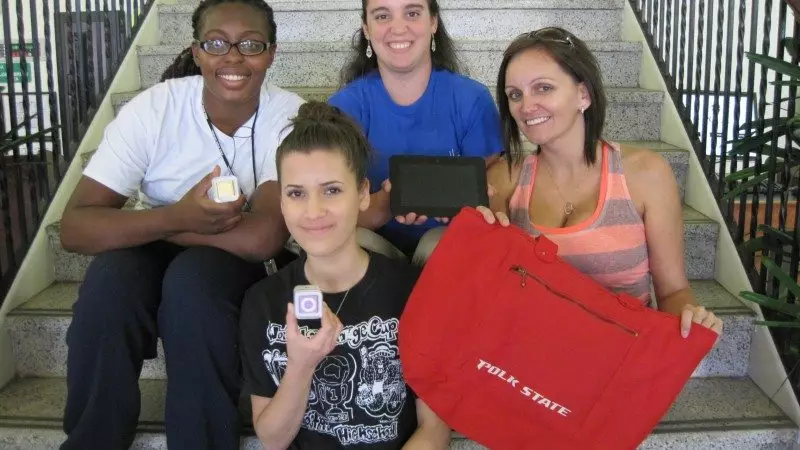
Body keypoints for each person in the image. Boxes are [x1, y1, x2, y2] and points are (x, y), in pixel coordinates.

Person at [58, 1, 303, 448]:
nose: (233, 57)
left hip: (229, 254)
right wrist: (175, 218)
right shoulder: (154, 110)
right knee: (110, 283)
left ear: (271, 53)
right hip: (154, 238)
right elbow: (75, 228)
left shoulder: (288, 115)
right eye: (216, 43)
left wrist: (170, 223)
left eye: (250, 45)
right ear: (196, 51)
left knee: (194, 286)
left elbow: (265, 237)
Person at [477, 28, 723, 338]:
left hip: (618, 363)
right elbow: (490, 292)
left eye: (543, 88)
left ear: (584, 95)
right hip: (529, 360)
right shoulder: (503, 178)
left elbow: (673, 292)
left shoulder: (646, 174)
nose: (526, 106)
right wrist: (479, 239)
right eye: (515, 94)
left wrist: (691, 321)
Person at [239, 101, 452, 449]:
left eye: (332, 190)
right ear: (281, 202)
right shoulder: (263, 301)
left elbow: (435, 429)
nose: (313, 211)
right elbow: (273, 438)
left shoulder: (414, 292)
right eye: (296, 193)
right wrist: (301, 365)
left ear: (363, 194)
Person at [328, 0, 503, 260]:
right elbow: (329, 211)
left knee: (437, 244)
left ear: (433, 22)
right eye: (382, 15)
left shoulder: (472, 99)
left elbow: (493, 195)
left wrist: (462, 207)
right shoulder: (344, 107)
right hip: (374, 253)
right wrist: (389, 203)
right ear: (366, 28)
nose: (398, 28)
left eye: (412, 13)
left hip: (448, 251)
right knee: (350, 243)